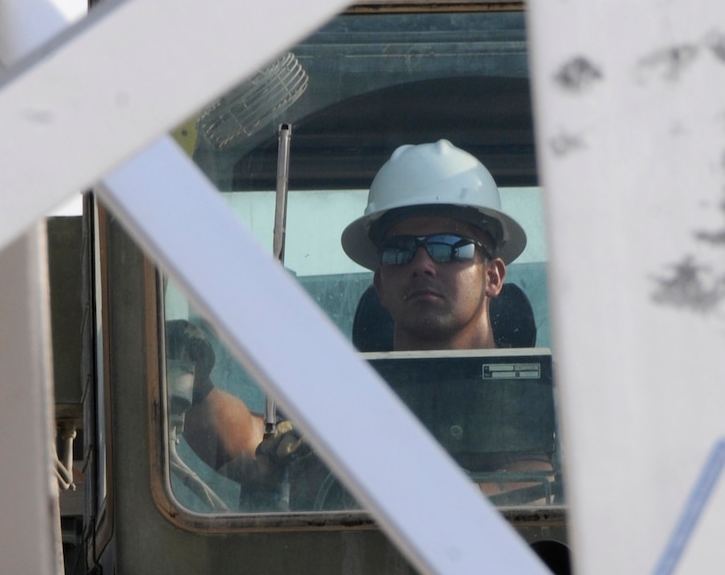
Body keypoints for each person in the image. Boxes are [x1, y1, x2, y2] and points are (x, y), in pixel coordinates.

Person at [175, 140, 528, 492]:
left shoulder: (563, 407)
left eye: (450, 247)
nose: (422, 265)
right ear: (380, 285)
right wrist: (194, 385)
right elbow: (257, 447)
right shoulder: (344, 412)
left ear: (493, 276)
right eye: (399, 251)